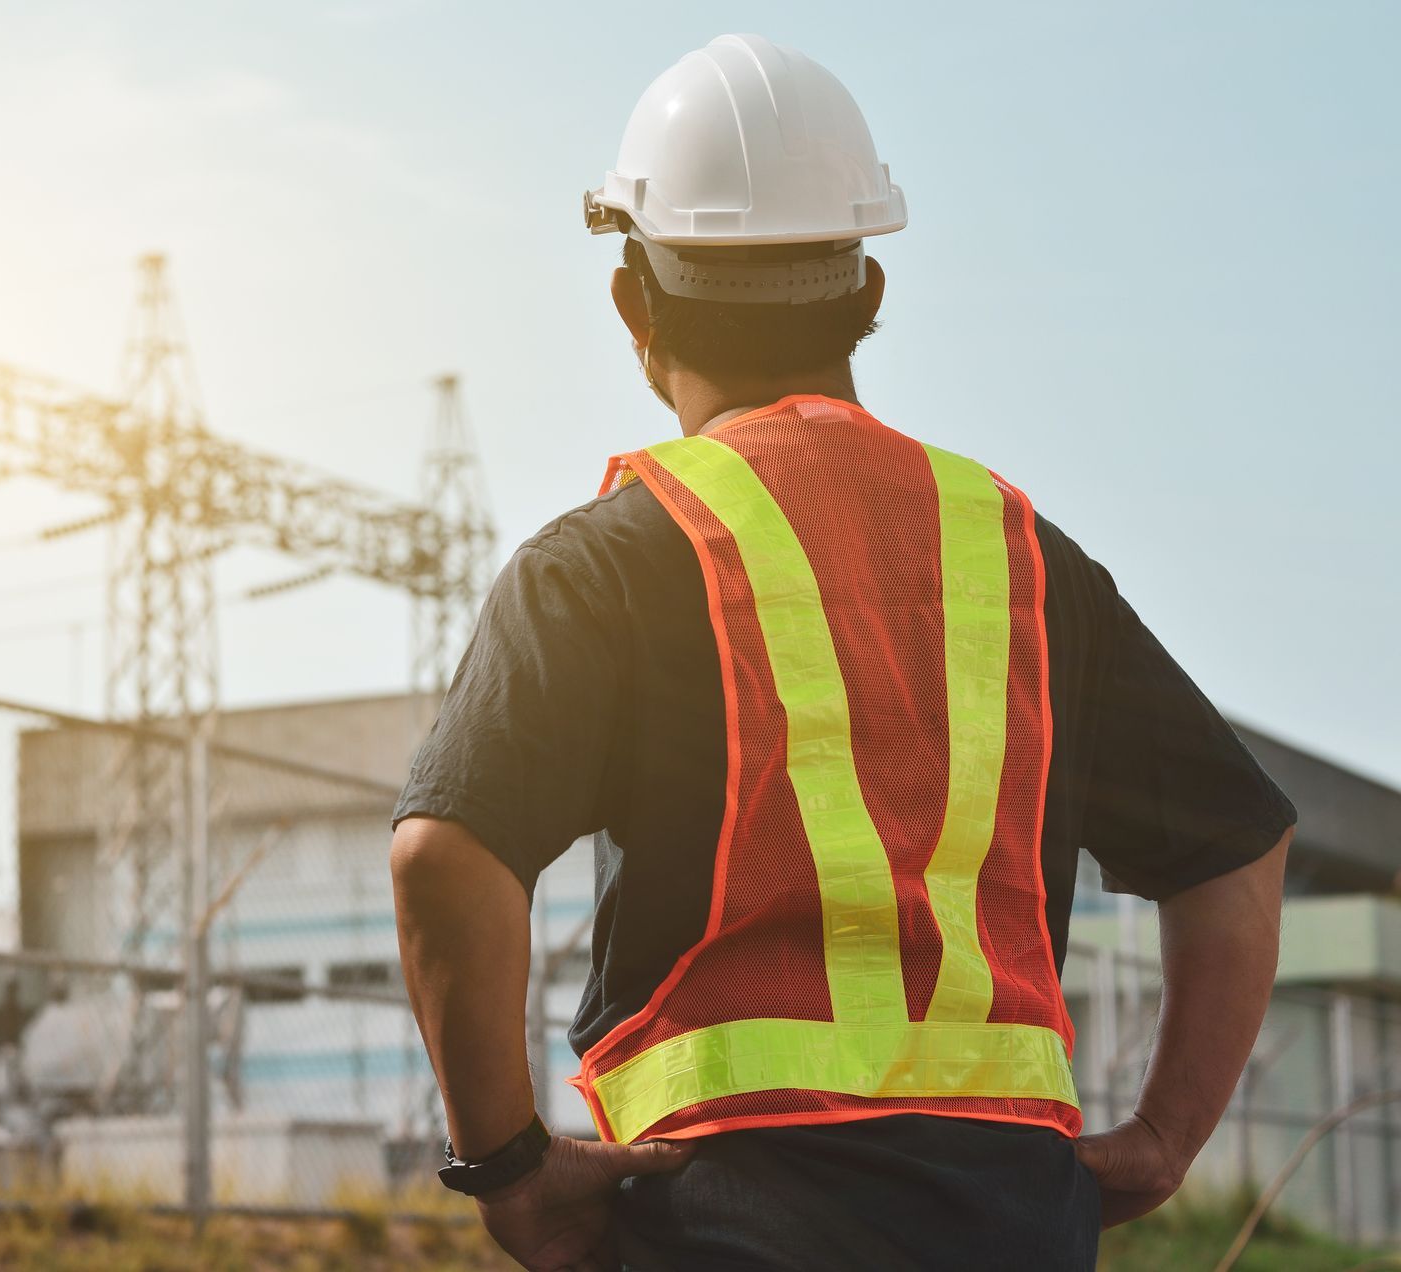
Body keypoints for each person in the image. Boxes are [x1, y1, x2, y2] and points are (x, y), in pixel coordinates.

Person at [389, 34, 1295, 1272]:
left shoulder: (607, 562)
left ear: (632, 304)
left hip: (723, 1220)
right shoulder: (1023, 561)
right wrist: (1160, 1142)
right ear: (869, 292)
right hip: (1012, 1224)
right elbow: (1241, 852)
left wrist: (510, 1169)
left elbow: (444, 857)